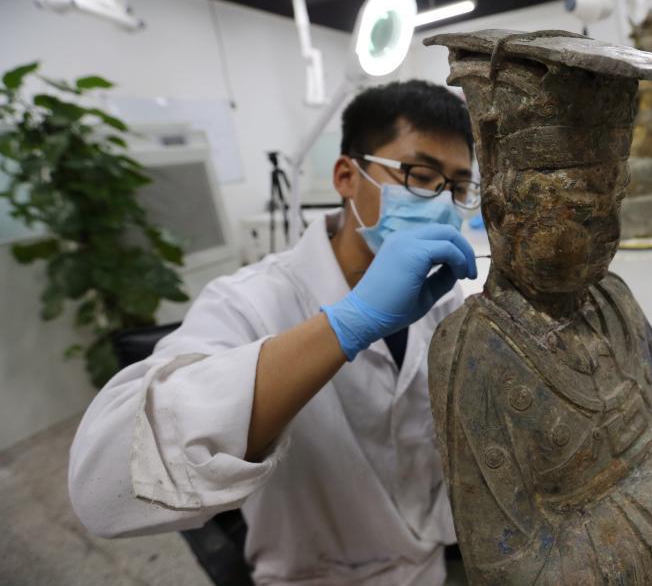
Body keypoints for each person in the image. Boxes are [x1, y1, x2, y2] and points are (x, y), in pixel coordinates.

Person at [68, 80, 480, 586]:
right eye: (420, 176)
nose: (442, 204)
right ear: (346, 176)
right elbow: (102, 489)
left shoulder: (440, 298)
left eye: (458, 188)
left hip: (428, 564)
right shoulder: (247, 302)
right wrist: (349, 322)